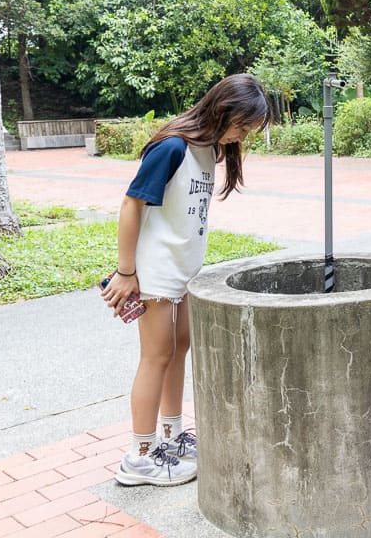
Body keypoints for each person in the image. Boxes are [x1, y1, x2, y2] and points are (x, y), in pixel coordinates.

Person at [100, 73, 270, 486]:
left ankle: (171, 436)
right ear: (223, 110)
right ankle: (139, 456)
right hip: (155, 273)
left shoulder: (208, 149)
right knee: (156, 357)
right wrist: (126, 273)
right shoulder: (172, 147)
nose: (241, 136)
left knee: (179, 350)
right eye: (242, 125)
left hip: (184, 272)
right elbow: (130, 203)